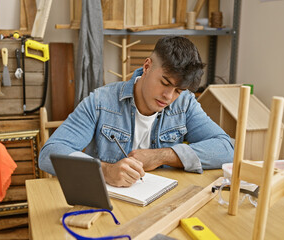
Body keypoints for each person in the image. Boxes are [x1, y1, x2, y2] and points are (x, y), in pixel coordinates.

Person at [39, 36, 234, 187]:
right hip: (109, 208)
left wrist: (162, 156)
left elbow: (227, 149)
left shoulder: (185, 104)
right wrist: (106, 171)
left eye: (178, 90)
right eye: (165, 83)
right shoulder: (100, 102)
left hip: (162, 204)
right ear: (147, 66)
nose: (169, 96)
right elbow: (49, 153)